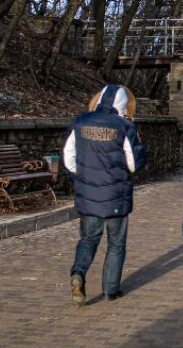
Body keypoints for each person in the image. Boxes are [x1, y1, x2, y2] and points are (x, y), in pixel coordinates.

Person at [63, 84, 147, 306]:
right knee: (116, 244)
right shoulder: (124, 126)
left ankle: (78, 273)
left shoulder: (80, 122)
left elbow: (68, 159)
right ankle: (110, 289)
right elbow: (134, 164)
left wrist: (83, 179)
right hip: (115, 196)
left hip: (89, 195)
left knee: (88, 239)